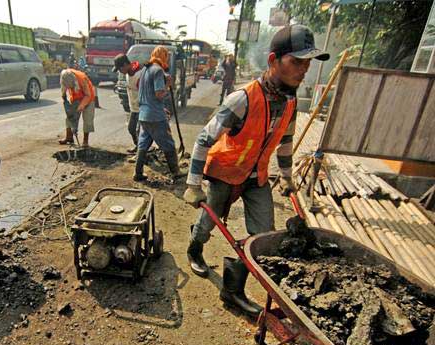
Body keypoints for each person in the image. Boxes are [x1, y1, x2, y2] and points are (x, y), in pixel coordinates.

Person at [183, 25, 329, 316]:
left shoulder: (290, 101)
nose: (304, 70)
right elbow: (203, 140)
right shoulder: (242, 99)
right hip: (225, 170)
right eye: (296, 62)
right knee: (209, 220)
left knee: (263, 237)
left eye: (307, 63)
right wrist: (193, 184)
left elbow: (285, 143)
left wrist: (287, 177)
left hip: (257, 176)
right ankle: (195, 248)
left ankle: (232, 289)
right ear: (273, 60)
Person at [134, 45, 185, 182]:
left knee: (143, 144)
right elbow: (158, 94)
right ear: (164, 57)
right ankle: (175, 172)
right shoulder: (158, 71)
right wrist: (168, 85)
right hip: (155, 117)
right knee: (168, 144)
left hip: (144, 115)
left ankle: (138, 173)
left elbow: (146, 93)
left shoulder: (145, 69)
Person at [113, 53, 144, 154]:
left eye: (120, 68)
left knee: (140, 132)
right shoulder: (127, 74)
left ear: (126, 64)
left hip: (142, 109)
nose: (120, 71)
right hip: (134, 108)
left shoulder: (139, 74)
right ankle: (138, 146)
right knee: (131, 129)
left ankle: (141, 153)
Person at [59, 68, 96, 147]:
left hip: (88, 98)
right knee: (70, 117)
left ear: (74, 82)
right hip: (76, 98)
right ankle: (69, 137)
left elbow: (88, 95)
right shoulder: (65, 77)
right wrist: (65, 100)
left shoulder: (81, 79)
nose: (70, 88)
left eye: (71, 87)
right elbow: (63, 90)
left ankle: (85, 141)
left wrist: (81, 106)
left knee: (88, 119)